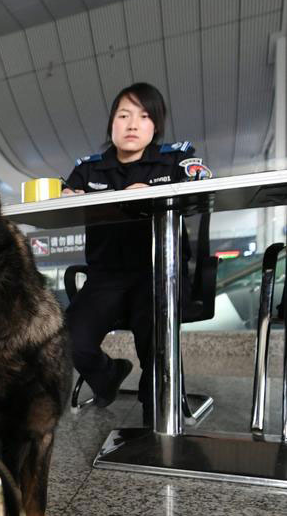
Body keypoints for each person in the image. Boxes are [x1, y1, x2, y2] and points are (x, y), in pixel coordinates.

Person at [62, 82, 212, 426]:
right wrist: (69, 195)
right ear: (112, 123)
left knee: (154, 335)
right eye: (124, 115)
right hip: (106, 278)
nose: (132, 125)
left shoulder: (175, 158)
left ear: (155, 126)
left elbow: (203, 186)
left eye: (144, 117)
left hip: (160, 274)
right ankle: (108, 375)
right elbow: (66, 200)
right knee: (68, 340)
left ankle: (156, 417)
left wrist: (160, 191)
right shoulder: (89, 168)